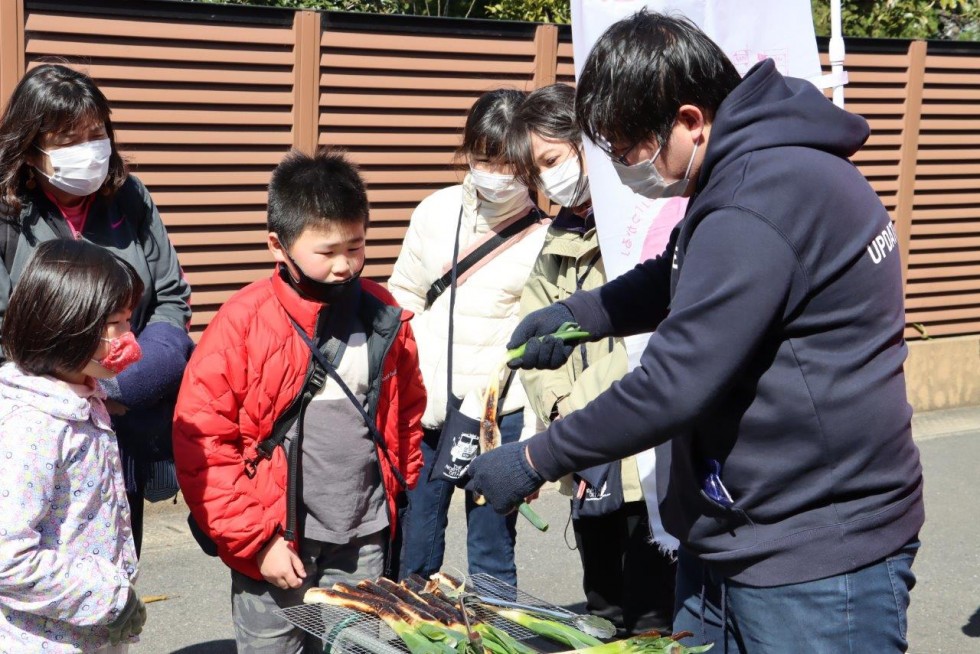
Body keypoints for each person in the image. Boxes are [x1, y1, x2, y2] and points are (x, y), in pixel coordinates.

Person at [463, 11, 924, 654]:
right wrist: (584, 315)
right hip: (739, 528)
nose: (627, 168)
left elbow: (670, 387)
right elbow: (679, 266)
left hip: (813, 551)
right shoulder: (748, 171)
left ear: (688, 119)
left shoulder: (762, 197)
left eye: (631, 150)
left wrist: (535, 457)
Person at [172, 148, 426, 653]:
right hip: (274, 544)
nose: (344, 265)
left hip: (363, 539)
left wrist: (404, 498)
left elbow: (407, 418)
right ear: (278, 245)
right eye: (327, 251)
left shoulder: (385, 314)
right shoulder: (242, 323)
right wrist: (256, 543)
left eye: (355, 247)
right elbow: (204, 447)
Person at [0, 63, 194, 555]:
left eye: (96, 133)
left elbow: (171, 300)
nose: (88, 150)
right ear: (30, 145)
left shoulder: (129, 196)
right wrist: (78, 388)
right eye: (68, 139)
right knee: (33, 569)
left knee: (116, 566)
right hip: (36, 434)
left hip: (124, 426)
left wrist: (119, 383)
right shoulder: (5, 214)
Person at [508, 83, 676, 636]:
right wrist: (561, 415)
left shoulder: (644, 222)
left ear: (586, 143)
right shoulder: (557, 238)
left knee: (655, 615)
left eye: (553, 159)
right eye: (538, 171)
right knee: (602, 608)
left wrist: (583, 418)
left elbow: (648, 342)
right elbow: (532, 341)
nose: (548, 178)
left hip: (643, 454)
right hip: (583, 455)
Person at [387, 88, 549, 587]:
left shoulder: (546, 235)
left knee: (492, 550)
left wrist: (541, 437)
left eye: (511, 165)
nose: (498, 177)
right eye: (485, 160)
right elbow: (404, 295)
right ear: (467, 154)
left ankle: (494, 631)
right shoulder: (433, 212)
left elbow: (549, 348)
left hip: (500, 417)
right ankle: (412, 633)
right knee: (413, 548)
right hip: (428, 406)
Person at [0, 239, 148, 653]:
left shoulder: (83, 395)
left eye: (128, 321)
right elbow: (7, 558)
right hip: (41, 639)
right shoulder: (32, 424)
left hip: (87, 630)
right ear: (65, 325)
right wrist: (109, 598)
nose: (128, 337)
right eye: (117, 324)